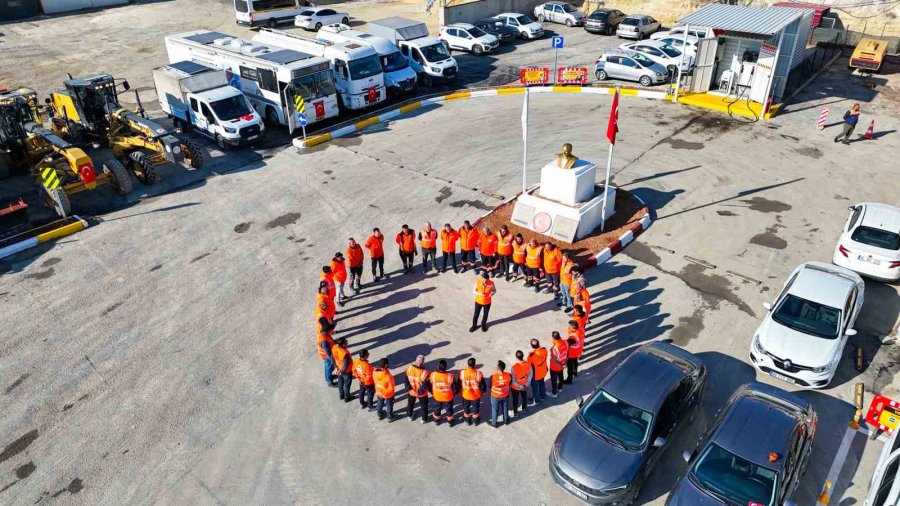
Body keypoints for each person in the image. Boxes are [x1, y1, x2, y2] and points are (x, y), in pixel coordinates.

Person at [460, 357, 487, 426]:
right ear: (474, 364)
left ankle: (466, 419)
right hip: (476, 395)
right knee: (476, 407)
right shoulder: (478, 373)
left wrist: (458, 391)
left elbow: (459, 382)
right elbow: (482, 385)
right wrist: (483, 391)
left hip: (465, 394)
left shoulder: (462, 373)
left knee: (466, 406)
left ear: (467, 364)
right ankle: (475, 420)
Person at [430, 360, 457, 426]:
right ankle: (450, 421)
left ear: (438, 366)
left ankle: (436, 420)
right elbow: (455, 387)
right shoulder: (450, 376)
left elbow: (429, 385)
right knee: (449, 409)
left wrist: (432, 392)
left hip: (437, 396)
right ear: (446, 367)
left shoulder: (433, 375)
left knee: (437, 409)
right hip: (448, 397)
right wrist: (454, 393)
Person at [405, 355, 430, 423]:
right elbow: (425, 385)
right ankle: (424, 419)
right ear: (423, 362)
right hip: (421, 394)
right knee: (424, 406)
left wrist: (409, 389)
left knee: (410, 404)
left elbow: (406, 380)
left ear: (416, 361)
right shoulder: (425, 372)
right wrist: (418, 392)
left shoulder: (409, 368)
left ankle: (409, 415)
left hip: (411, 392)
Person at [510, 350, 533, 416]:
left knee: (515, 400)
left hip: (516, 387)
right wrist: (526, 385)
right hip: (525, 385)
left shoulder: (514, 367)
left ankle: (516, 412)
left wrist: (521, 387)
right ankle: (524, 408)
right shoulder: (528, 364)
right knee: (524, 397)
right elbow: (530, 374)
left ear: (516, 357)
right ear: (523, 356)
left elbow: (513, 381)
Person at [332, 337, 355, 402]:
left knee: (340, 383)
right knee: (346, 385)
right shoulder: (345, 354)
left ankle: (341, 395)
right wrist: (341, 372)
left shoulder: (335, 347)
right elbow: (345, 366)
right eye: (346, 341)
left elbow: (332, 357)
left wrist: (336, 368)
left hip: (339, 369)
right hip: (346, 371)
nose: (347, 342)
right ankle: (347, 397)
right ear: (343, 345)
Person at [490, 360, 512, 427]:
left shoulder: (493, 376)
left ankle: (494, 423)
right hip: (505, 394)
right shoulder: (509, 375)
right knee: (505, 407)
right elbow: (510, 384)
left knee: (495, 409)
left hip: (495, 396)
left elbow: (489, 386)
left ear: (498, 368)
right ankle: (506, 420)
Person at [316, 316, 336, 386]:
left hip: (324, 355)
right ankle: (329, 382)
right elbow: (328, 352)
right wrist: (333, 360)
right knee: (329, 367)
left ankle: (327, 377)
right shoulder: (324, 341)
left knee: (327, 366)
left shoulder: (321, 331)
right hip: (326, 356)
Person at [527, 339, 549, 404]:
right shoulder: (544, 350)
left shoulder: (531, 356)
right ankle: (542, 396)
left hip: (535, 375)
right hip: (543, 372)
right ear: (539, 344)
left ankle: (536, 399)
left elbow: (528, 366)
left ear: (532, 346)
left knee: (535, 388)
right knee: (542, 384)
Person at [549, 331, 568, 398]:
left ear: (553, 338)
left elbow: (554, 360)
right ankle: (560, 388)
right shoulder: (565, 342)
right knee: (560, 377)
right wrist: (565, 363)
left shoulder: (554, 348)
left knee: (553, 380)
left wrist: (550, 349)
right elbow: (567, 353)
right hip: (562, 364)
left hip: (554, 367)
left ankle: (554, 393)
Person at [565, 320, 584, 384]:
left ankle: (569, 380)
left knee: (569, 366)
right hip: (578, 350)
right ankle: (575, 373)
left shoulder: (573, 336)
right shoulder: (581, 329)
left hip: (571, 352)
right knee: (575, 362)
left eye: (570, 326)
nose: (569, 327)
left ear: (573, 327)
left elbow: (567, 344)